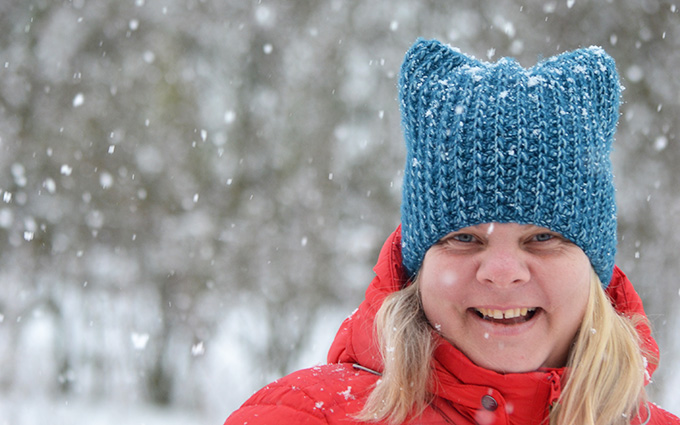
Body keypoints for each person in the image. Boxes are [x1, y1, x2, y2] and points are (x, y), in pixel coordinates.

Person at [224, 39, 680, 425]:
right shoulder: (300, 415)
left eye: (542, 237)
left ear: (593, 267)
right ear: (419, 264)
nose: (502, 273)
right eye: (465, 238)